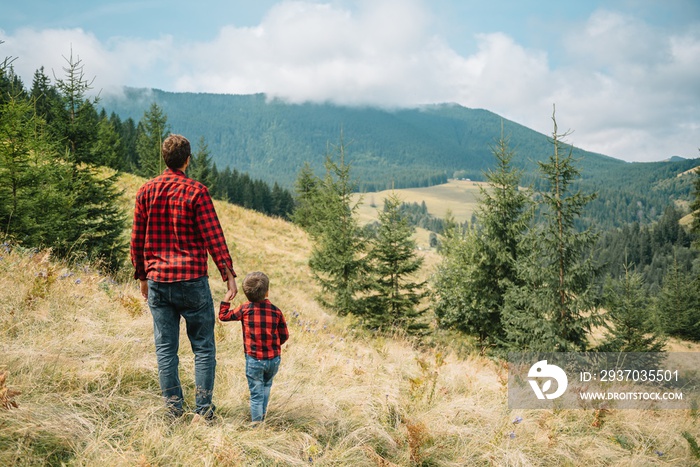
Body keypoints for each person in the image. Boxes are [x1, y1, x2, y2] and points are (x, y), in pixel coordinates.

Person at [130, 134, 238, 420]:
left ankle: (173, 411)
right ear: (187, 160)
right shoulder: (196, 192)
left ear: (164, 159)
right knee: (203, 348)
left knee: (166, 350)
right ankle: (203, 412)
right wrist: (228, 275)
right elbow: (213, 236)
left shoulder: (146, 191)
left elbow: (137, 239)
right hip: (191, 280)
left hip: (158, 282)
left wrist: (142, 276)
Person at [219, 271, 289, 423]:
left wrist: (226, 298)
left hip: (254, 360)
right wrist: (274, 345)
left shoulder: (245, 309)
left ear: (246, 294)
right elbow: (284, 336)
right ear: (267, 292)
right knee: (266, 386)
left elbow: (223, 316)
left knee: (256, 395)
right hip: (273, 359)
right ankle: (262, 416)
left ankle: (257, 425)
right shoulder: (276, 311)